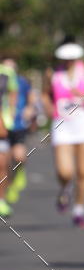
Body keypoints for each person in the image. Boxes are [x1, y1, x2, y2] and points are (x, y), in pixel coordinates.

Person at [41, 41, 84, 228]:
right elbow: (44, 94)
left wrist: (83, 95)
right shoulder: (52, 74)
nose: (69, 62)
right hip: (62, 125)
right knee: (65, 171)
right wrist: (49, 108)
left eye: (72, 58)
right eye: (66, 59)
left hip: (83, 124)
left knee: (83, 171)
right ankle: (65, 187)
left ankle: (79, 211)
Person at [3, 57, 36, 207]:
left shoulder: (21, 81)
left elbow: (31, 97)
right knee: (5, 162)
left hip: (18, 125)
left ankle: (18, 176)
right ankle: (7, 188)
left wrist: (30, 109)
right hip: (3, 127)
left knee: (20, 156)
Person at [0, 57, 18, 218]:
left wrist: (11, 113)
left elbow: (13, 92)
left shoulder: (6, 73)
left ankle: (1, 199)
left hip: (2, 123)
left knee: (2, 164)